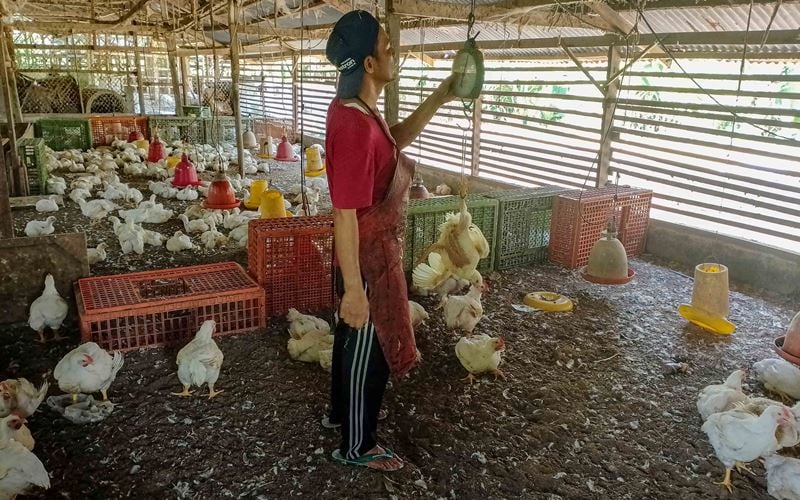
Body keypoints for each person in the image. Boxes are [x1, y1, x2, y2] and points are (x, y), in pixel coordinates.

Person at [323, 10, 454, 472]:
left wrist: (439, 96)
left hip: (370, 250)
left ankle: (339, 415)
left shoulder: (357, 111)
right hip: (365, 255)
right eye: (387, 46)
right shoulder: (355, 127)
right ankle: (356, 446)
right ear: (370, 65)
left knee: (350, 340)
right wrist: (356, 289)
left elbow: (392, 145)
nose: (393, 51)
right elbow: (344, 213)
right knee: (369, 346)